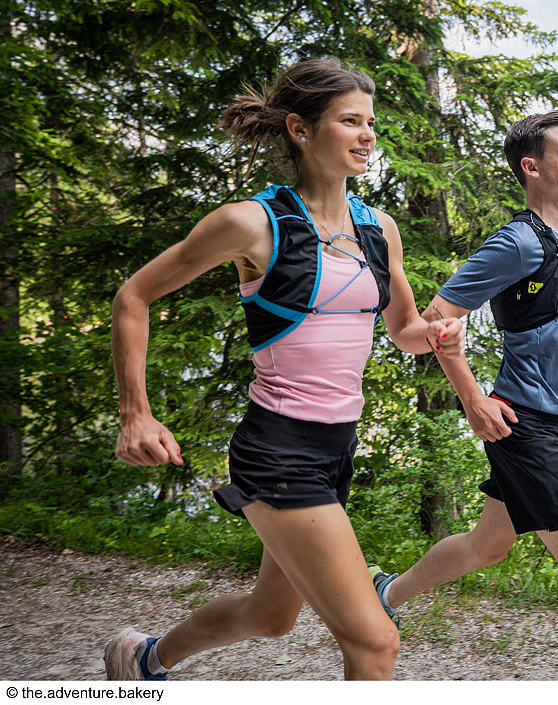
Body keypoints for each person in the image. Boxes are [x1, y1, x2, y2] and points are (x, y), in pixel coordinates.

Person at [103, 58, 463, 681]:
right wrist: (136, 412)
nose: (368, 135)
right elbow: (133, 297)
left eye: (371, 123)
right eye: (351, 121)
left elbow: (403, 331)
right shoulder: (251, 223)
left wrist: (434, 333)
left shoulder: (379, 229)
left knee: (271, 615)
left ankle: (143, 657)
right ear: (301, 128)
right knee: (375, 641)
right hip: (278, 448)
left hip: (335, 446)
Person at [368, 108, 558, 680]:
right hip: (522, 422)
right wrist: (471, 396)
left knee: (488, 545)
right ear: (532, 167)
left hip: (552, 420)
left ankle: (384, 593)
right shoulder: (515, 244)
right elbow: (431, 327)